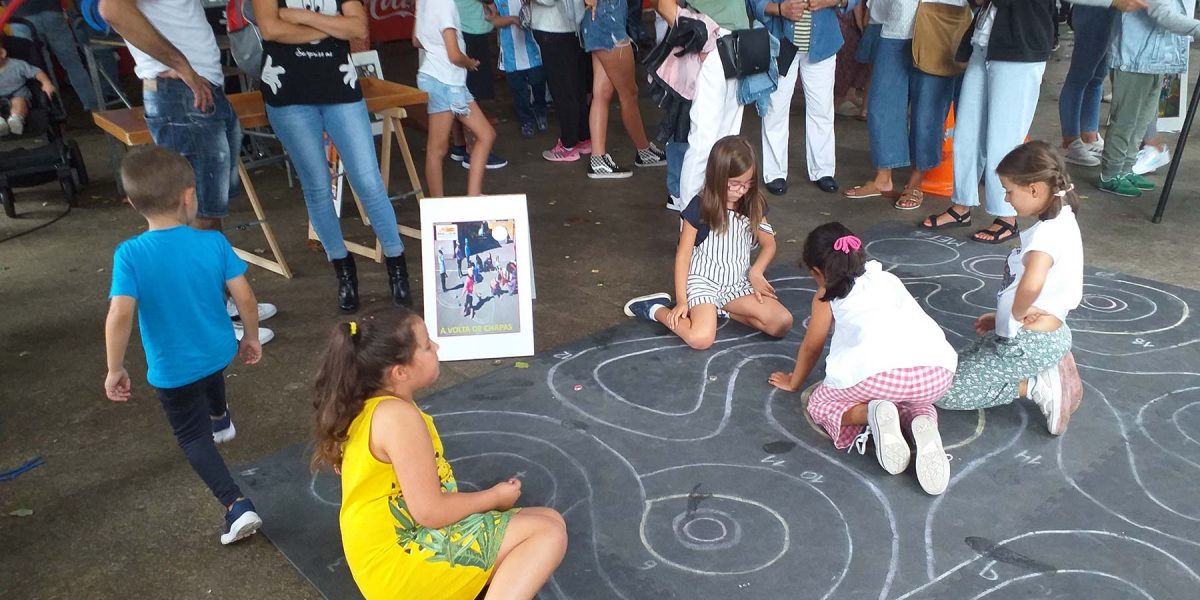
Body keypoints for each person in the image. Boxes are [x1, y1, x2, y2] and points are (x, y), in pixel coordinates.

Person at [312, 307, 567, 599]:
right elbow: (430, 512)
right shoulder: (398, 418)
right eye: (426, 345)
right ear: (400, 371)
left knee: (549, 518)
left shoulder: (363, 403)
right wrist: (494, 498)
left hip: (387, 552)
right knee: (548, 534)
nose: (436, 347)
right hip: (401, 562)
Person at [103, 146, 264, 545]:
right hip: (218, 350)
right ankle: (220, 414)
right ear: (189, 196)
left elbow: (120, 315)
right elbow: (244, 297)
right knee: (210, 374)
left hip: (172, 370)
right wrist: (252, 336)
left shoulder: (130, 255)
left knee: (193, 439)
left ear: (131, 203)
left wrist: (115, 367)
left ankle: (236, 505)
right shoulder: (213, 243)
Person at [99, 0, 276, 345]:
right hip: (179, 90)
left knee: (208, 211)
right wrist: (183, 65)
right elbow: (112, 9)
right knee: (192, 215)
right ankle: (209, 320)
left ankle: (222, 305)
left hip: (193, 87)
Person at [919, 0, 1145, 243]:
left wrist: (1112, 1)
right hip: (986, 38)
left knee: (1004, 137)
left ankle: (1006, 217)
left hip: (1022, 43)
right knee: (967, 132)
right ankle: (961, 205)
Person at [767, 223, 957, 495]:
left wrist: (794, 380)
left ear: (818, 272)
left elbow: (812, 345)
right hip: (937, 373)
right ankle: (922, 424)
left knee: (819, 402)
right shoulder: (887, 278)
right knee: (912, 397)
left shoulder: (826, 295)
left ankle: (872, 413)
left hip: (877, 373)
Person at [254, 0, 413, 312]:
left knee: (369, 181)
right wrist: (330, 25)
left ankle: (397, 267)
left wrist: (299, 18)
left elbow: (357, 27)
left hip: (340, 89)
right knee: (316, 186)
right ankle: (343, 269)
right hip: (288, 95)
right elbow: (270, 28)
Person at [936, 141, 1085, 436]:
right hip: (1042, 334)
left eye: (1009, 190)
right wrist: (1002, 317)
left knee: (944, 393)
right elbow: (1037, 287)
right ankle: (1051, 363)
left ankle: (1037, 385)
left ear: (1034, 189)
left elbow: (1032, 283)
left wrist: (1015, 316)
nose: (1006, 198)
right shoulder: (1063, 217)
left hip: (1027, 343)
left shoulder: (1045, 237)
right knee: (951, 366)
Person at [623, 136, 793, 349]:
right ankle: (655, 309)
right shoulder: (700, 206)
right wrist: (682, 300)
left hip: (737, 283)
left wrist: (756, 272)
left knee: (781, 323)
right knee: (700, 339)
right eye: (734, 184)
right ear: (717, 177)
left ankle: (718, 310)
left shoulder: (753, 203)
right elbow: (683, 254)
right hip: (703, 283)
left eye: (747, 184)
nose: (741, 191)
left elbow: (769, 244)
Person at [842, 0, 956, 211]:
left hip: (939, 23)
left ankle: (916, 179)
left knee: (928, 110)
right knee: (882, 105)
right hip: (894, 24)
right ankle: (882, 178)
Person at [1097, 0, 1200, 197]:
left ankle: (1126, 168)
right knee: (1126, 119)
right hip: (1134, 59)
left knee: (1142, 120)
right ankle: (1110, 174)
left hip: (1155, 59)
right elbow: (1163, 14)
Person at [754, 0, 857, 196]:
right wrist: (780, 9)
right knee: (776, 109)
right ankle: (775, 173)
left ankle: (823, 170)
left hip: (823, 43)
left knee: (822, 110)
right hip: (780, 43)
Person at [655, 0, 751, 209]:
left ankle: (716, 221)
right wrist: (697, 36)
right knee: (703, 143)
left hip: (736, 40)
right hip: (714, 42)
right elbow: (663, 4)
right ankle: (692, 230)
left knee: (727, 143)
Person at [416, 0, 501, 197]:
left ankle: (473, 197)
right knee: (437, 149)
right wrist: (469, 62)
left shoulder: (423, 3)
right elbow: (454, 55)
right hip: (445, 80)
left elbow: (417, 40)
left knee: (486, 134)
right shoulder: (445, 4)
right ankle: (438, 207)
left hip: (445, 79)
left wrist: (435, 45)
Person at [580, 0, 666, 178]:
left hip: (602, 23)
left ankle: (598, 159)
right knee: (628, 93)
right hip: (608, 25)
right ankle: (644, 151)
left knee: (602, 94)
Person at [9, 0, 118, 111]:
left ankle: (55, 111)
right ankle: (93, 105)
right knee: (73, 64)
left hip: (20, 16)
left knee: (40, 68)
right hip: (51, 11)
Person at [449, 0, 509, 171]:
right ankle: (473, 150)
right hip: (470, 30)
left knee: (462, 86)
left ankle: (461, 145)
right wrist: (491, 4)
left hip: (461, 25)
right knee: (472, 93)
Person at [532, 0, 593, 162]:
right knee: (576, 86)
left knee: (563, 89)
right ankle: (582, 137)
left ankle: (568, 145)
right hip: (572, 27)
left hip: (554, 27)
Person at [1057, 3, 1116, 167]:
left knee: (1097, 77)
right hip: (1094, 9)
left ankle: (1089, 136)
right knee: (1080, 76)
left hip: (1111, 11)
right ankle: (1070, 141)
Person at [489, 0, 550, 138]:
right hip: (511, 53)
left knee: (538, 82)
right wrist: (512, 19)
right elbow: (491, 21)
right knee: (518, 90)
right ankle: (526, 120)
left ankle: (540, 112)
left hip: (533, 49)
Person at [0, 43, 54, 136]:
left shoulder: (17, 65)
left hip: (18, 93)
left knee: (19, 101)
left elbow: (37, 72)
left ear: (2, 53)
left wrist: (46, 82)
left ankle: (16, 119)